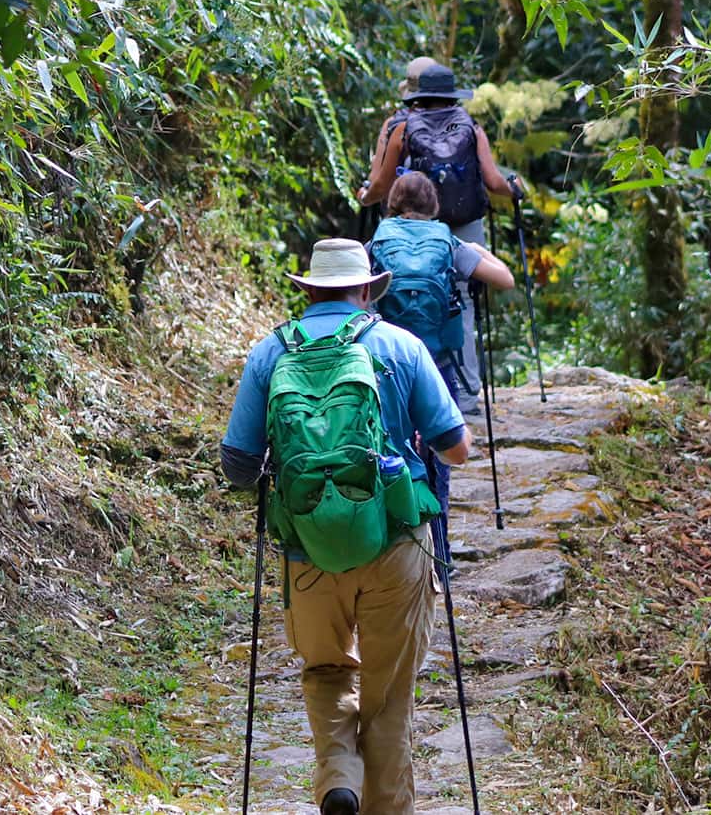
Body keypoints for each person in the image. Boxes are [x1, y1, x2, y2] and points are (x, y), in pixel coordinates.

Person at [221, 238, 471, 815]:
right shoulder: (401, 346)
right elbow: (455, 449)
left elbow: (237, 465)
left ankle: (339, 776)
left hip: (308, 547)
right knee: (389, 697)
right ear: (366, 289)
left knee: (327, 668)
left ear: (309, 289)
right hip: (396, 540)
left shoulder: (270, 352)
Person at [358, 64, 518, 413]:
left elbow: (382, 184)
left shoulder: (402, 127)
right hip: (464, 223)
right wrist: (515, 189)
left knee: (402, 291)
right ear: (452, 95)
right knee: (462, 300)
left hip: (410, 223)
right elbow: (493, 181)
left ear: (417, 96)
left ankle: (403, 380)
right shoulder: (470, 127)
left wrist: (366, 197)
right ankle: (466, 393)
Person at [374, 172, 513, 525]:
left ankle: (399, 534)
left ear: (393, 203)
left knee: (390, 450)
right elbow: (506, 279)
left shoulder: (379, 239)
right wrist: (477, 251)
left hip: (388, 365)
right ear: (434, 205)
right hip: (439, 365)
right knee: (439, 457)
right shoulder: (446, 241)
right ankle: (439, 543)